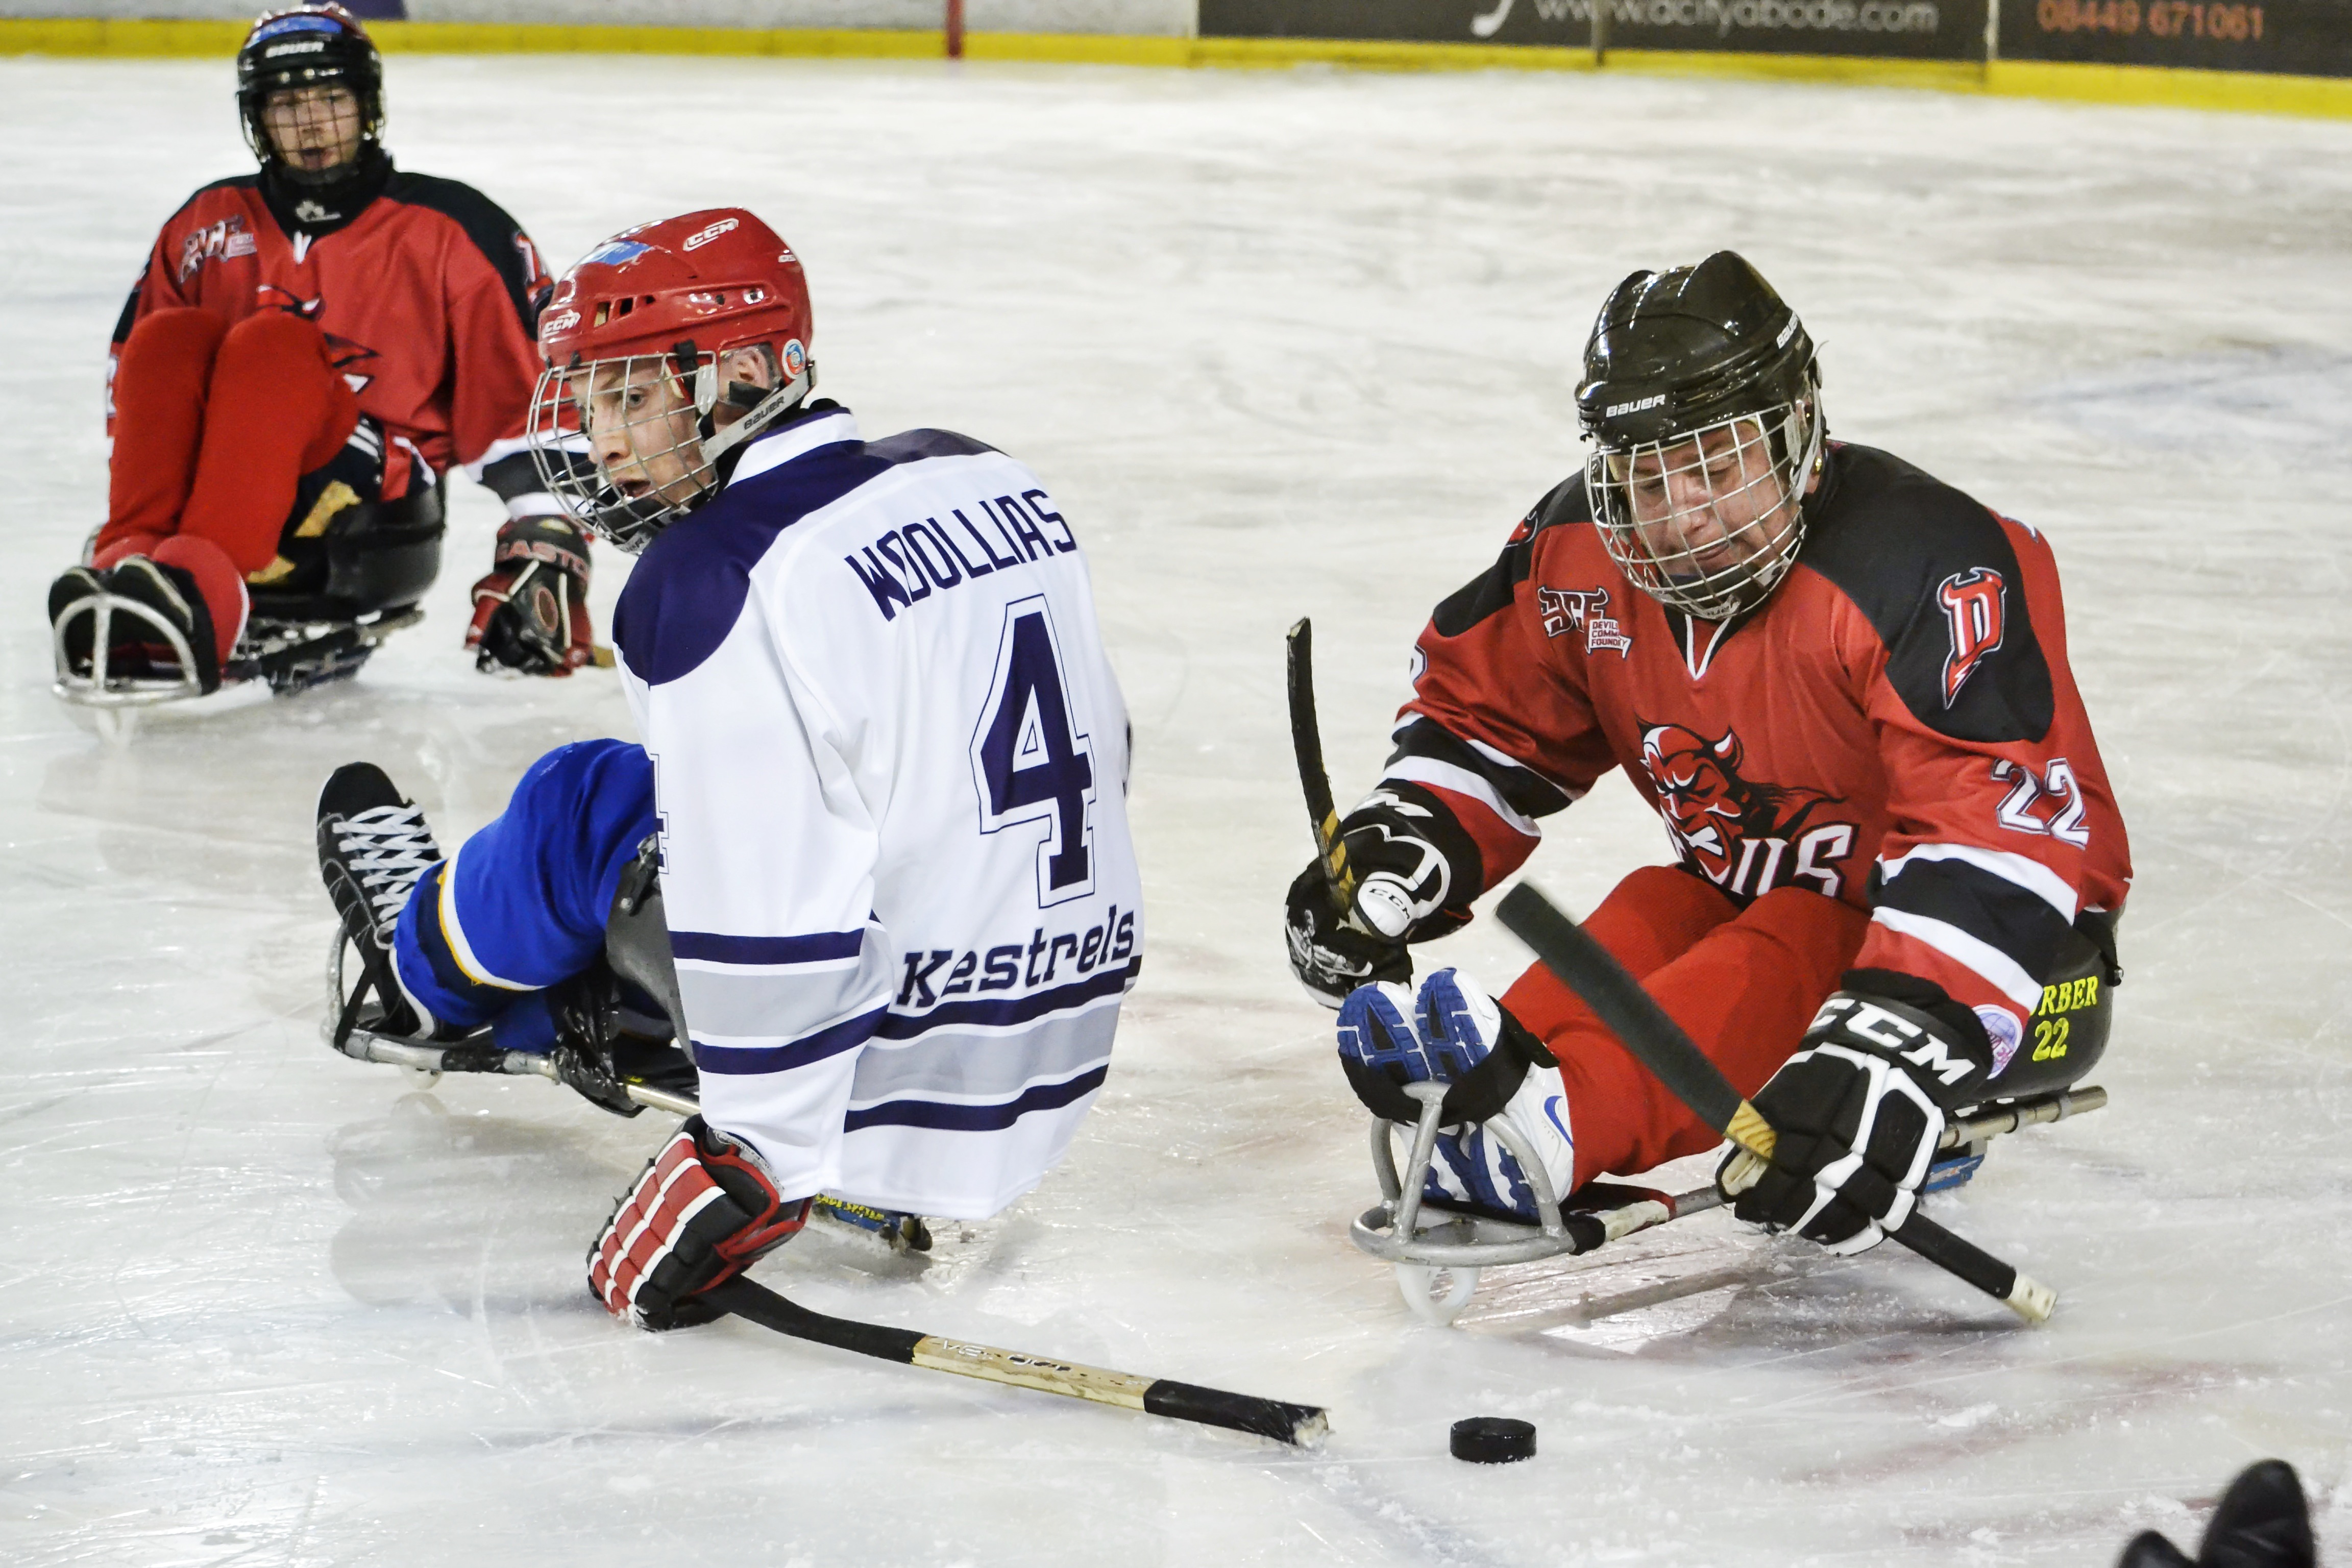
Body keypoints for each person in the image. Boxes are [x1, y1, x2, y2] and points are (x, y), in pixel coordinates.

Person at [316, 209, 1142, 1327]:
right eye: (594, 400)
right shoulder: (981, 475)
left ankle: (412, 969)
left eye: (633, 397)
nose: (603, 443)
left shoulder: (715, 576)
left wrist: (751, 1162)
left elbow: (769, 904)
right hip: (1061, 1039)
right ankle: (507, 964)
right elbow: (1110, 747)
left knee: (587, 805)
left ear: (750, 371)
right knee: (732, 806)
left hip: (887, 1099)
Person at [1286, 251, 2131, 1256]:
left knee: (1796, 930)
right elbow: (1490, 724)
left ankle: (1563, 1126)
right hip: (1767, 912)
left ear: (1798, 436)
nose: (1683, 516)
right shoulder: (1576, 558)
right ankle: (1496, 1091)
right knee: (1664, 903)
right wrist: (1404, 847)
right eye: (1647, 475)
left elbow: (1995, 841)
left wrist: (1892, 1049)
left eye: (1718, 467)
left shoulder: (1927, 561)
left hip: (2007, 974)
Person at [48, 2, 594, 696]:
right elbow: (138, 391)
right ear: (257, 119)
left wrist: (543, 538)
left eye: (331, 99)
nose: (311, 125)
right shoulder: (203, 224)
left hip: (373, 520)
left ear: (367, 107)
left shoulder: (455, 229)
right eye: (287, 104)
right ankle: (134, 558)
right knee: (167, 338)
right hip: (221, 488)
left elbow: (528, 403)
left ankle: (200, 586)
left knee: (272, 346)